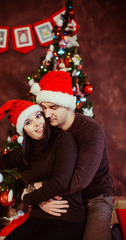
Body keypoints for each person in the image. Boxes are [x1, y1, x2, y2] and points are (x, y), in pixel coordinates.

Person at [0, 99, 86, 240]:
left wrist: (27, 198)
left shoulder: (63, 140)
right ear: (23, 129)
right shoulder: (23, 153)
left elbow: (60, 182)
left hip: (67, 219)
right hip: (38, 218)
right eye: (28, 122)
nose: (37, 123)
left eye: (38, 116)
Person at [30, 71, 113, 240]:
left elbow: (79, 180)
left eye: (53, 108)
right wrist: (37, 196)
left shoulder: (91, 130)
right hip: (62, 195)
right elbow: (34, 165)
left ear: (67, 105)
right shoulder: (47, 128)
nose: (46, 115)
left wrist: (40, 188)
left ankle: (114, 233)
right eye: (44, 108)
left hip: (94, 198)